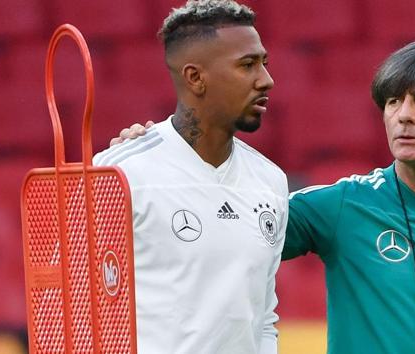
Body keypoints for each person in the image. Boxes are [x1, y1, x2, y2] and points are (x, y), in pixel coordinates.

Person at [114, 39, 415, 353]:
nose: (404, 116)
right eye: (392, 102)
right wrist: (160, 157)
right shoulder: (343, 207)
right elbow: (221, 228)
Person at [94, 1, 288, 353]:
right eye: (248, 65)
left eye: (264, 63)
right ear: (195, 77)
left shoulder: (271, 182)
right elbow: (73, 311)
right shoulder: (120, 173)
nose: (266, 80)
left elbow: (263, 318)